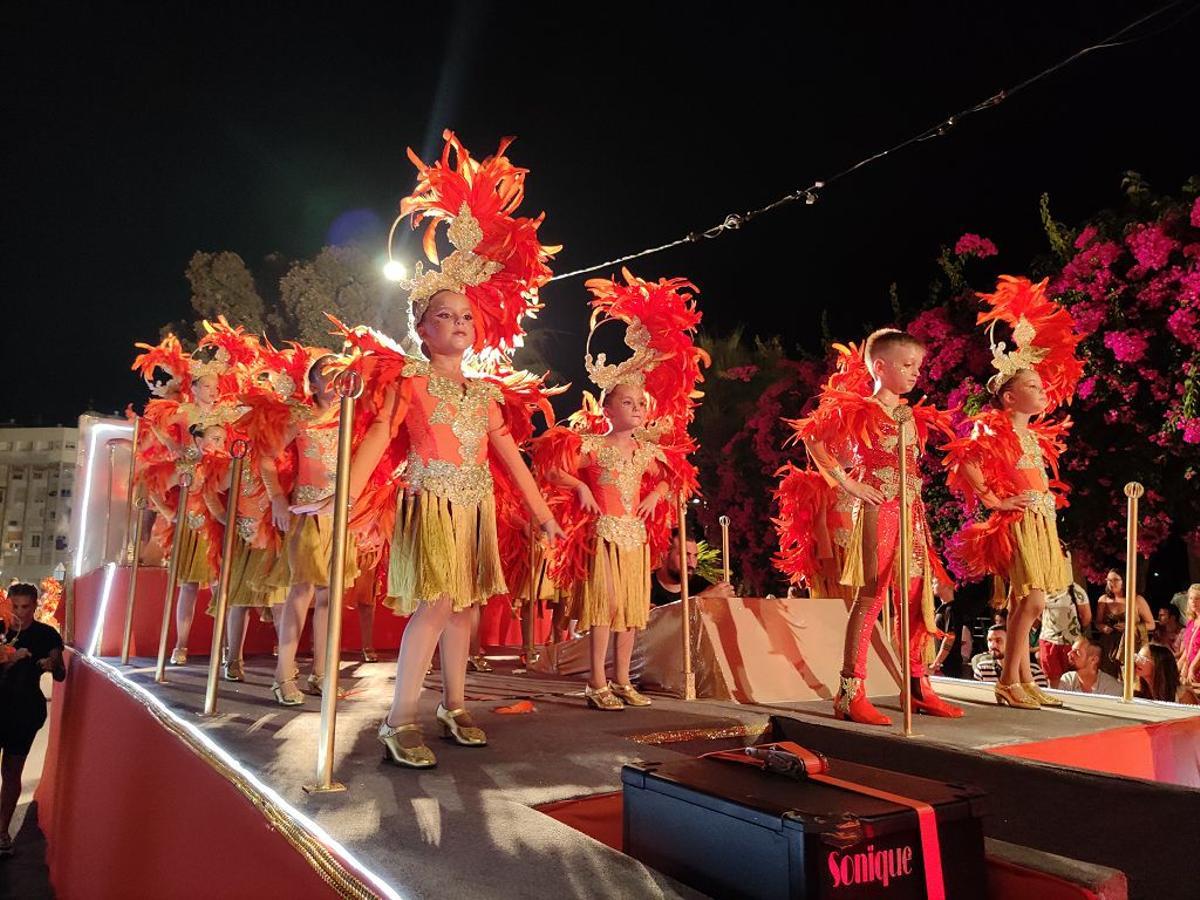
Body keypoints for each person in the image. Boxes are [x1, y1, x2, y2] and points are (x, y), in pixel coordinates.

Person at [343, 132, 564, 768]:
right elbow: (382, 436)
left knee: (466, 607)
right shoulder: (408, 381)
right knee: (438, 604)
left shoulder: (484, 391)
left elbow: (510, 458)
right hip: (430, 499)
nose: (459, 324)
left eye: (466, 316)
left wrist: (544, 516)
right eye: (445, 315)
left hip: (475, 507)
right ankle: (399, 717)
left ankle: (455, 703)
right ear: (421, 325)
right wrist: (342, 496)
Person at [535, 270, 709, 711]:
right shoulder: (591, 447)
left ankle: (621, 680)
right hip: (602, 534)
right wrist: (579, 487)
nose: (636, 409)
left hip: (633, 535)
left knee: (630, 611)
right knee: (602, 610)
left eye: (641, 404)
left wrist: (657, 496)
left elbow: (678, 479)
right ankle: (595, 681)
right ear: (607, 408)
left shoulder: (647, 452)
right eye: (627, 403)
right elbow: (552, 470)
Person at [798, 328, 961, 725]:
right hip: (877, 510)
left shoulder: (908, 414)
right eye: (907, 365)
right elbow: (814, 439)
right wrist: (849, 482)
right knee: (872, 597)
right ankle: (850, 690)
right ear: (879, 366)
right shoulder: (861, 409)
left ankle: (919, 686)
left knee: (916, 596)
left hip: (911, 510)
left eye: (918, 366)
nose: (915, 373)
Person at [943, 276, 1083, 710]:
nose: (1042, 392)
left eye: (1041, 387)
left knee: (1032, 602)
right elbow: (964, 458)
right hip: (1018, 520)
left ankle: (1024, 678)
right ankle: (1007, 680)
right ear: (1007, 396)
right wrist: (993, 499)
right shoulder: (994, 427)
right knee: (1033, 598)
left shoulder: (1033, 436)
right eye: (1033, 387)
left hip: (1041, 519)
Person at [0, 584, 66, 858]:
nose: (19, 613)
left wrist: (52, 664)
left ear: (35, 605)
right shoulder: (1, 629)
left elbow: (61, 673)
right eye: (15, 606)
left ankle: (2, 832)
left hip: (24, 713)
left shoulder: (46, 634)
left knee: (12, 773)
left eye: (25, 607)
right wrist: (9, 659)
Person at [1095, 569, 1155, 678]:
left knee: (1129, 678)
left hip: (1130, 644)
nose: (1111, 583)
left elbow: (1151, 624)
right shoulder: (1103, 600)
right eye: (1108, 580)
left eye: (1115, 580)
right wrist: (1103, 627)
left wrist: (1130, 627)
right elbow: (1097, 623)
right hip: (1109, 645)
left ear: (1124, 580)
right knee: (1108, 677)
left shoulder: (1137, 599)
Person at [651, 529, 733, 606]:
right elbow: (662, 619)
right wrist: (700, 599)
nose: (692, 562)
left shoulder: (701, 585)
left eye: (695, 556)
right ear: (664, 554)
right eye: (685, 555)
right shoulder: (646, 589)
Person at [1038, 583, 1091, 689]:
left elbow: (1086, 617)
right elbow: (1037, 613)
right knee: (1052, 679)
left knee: (1073, 677)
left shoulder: (1075, 590)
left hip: (1071, 642)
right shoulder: (1041, 589)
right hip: (1048, 640)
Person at [970, 624, 1049, 688]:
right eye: (990, 640)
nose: (992, 645)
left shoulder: (1034, 671)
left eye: (998, 640)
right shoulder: (982, 669)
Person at [1174, 584, 1200, 701]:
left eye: (1197, 598)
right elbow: (1187, 650)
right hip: (1190, 668)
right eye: (1191, 598)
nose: (1193, 602)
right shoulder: (1191, 622)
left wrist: (1192, 667)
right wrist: (1177, 668)